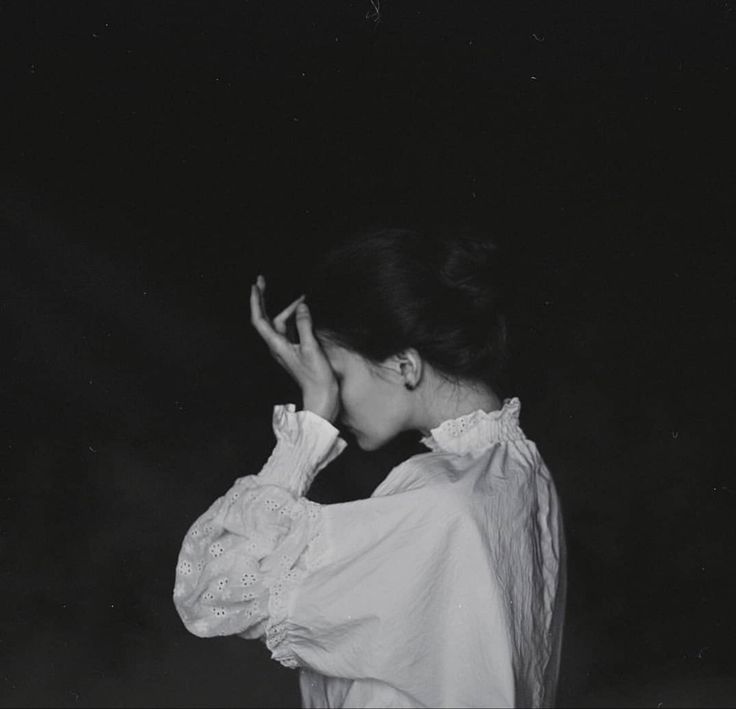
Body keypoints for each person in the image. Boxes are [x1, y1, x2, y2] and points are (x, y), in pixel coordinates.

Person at [173, 227, 566, 708]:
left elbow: (213, 591)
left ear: (405, 365)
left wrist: (311, 423)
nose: (333, 396)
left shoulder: (440, 502)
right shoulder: (520, 476)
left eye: (336, 376)